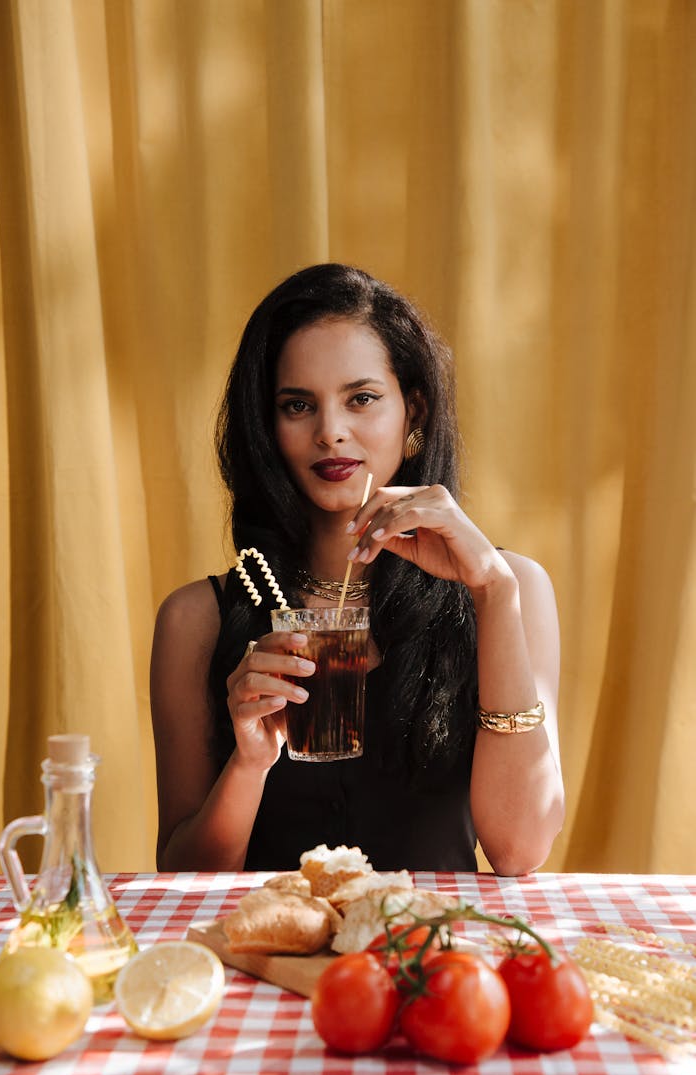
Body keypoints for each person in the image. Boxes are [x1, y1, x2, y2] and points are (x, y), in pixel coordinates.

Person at [151, 263, 564, 876]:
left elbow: (519, 850)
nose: (331, 433)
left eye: (361, 399)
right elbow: (180, 875)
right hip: (267, 959)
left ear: (413, 412)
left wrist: (494, 592)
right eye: (297, 405)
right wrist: (248, 764)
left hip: (434, 958)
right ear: (267, 428)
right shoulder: (197, 619)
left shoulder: (510, 587)